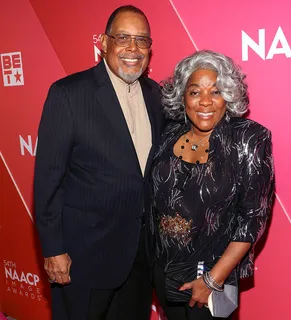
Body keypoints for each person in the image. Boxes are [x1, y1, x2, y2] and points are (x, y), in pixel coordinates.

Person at [34, 5, 164, 320]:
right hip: (83, 258)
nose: (133, 48)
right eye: (123, 38)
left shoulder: (157, 95)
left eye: (142, 40)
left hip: (140, 258)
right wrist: (53, 250)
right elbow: (48, 181)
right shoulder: (68, 94)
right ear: (104, 44)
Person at [150, 50, 275, 320]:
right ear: (183, 97)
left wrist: (212, 280)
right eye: (195, 92)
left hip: (212, 279)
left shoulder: (249, 139)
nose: (205, 102)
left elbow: (252, 219)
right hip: (165, 272)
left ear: (228, 96)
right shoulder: (169, 133)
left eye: (215, 92)